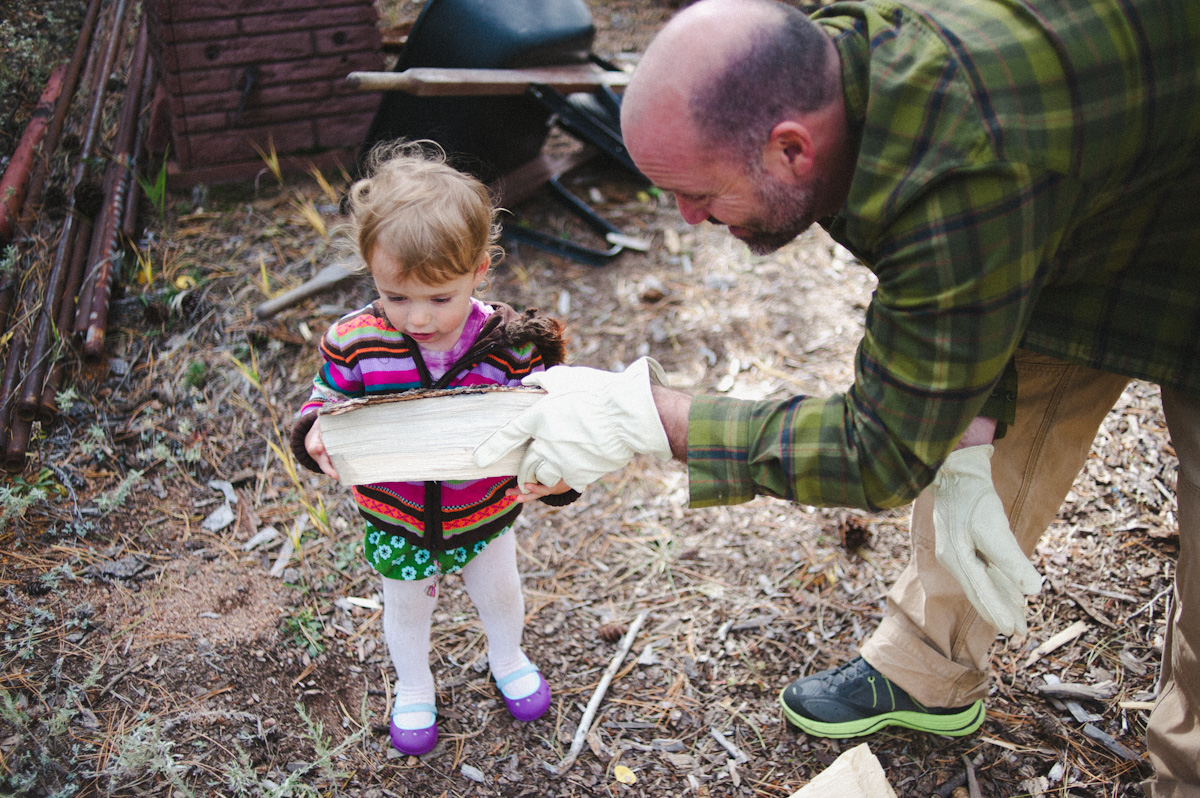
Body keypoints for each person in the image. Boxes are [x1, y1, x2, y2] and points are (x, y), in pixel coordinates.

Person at [474, 0, 1200, 793]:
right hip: (1076, 199)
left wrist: (649, 418)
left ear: (792, 147)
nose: (687, 218)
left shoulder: (961, 171)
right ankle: (928, 665)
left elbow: (879, 450)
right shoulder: (834, 63)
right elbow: (959, 294)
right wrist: (967, 431)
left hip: (1159, 187)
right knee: (978, 446)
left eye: (697, 193)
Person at [292, 141, 577, 757]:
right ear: (372, 271)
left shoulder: (506, 344)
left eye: (440, 297)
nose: (418, 316)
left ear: (479, 270)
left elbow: (544, 414)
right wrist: (316, 427)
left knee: (498, 590)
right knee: (407, 606)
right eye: (396, 297)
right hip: (396, 510)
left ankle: (507, 655)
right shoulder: (356, 342)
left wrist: (555, 467)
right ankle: (414, 685)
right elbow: (326, 397)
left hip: (483, 505)